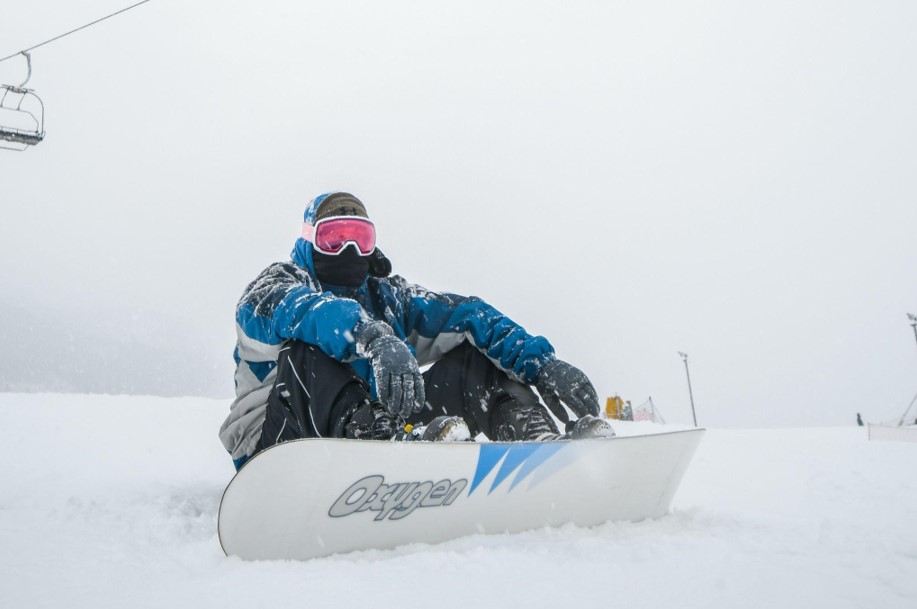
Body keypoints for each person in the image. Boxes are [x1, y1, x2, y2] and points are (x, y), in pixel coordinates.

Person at [219, 192, 613, 470]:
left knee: (471, 357)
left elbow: (468, 315)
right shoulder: (275, 287)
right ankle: (382, 444)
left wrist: (541, 364)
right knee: (308, 349)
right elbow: (308, 312)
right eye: (334, 238)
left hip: (377, 434)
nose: (350, 251)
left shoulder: (389, 299)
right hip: (274, 446)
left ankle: (534, 441)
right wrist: (371, 336)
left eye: (361, 238)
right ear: (308, 240)